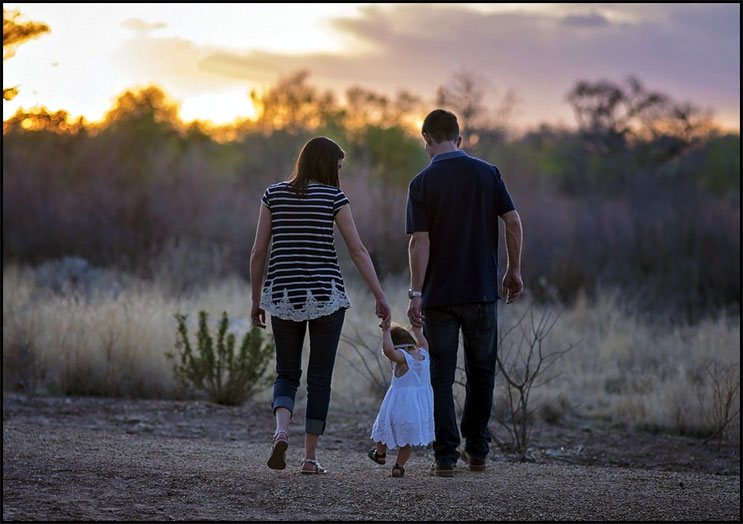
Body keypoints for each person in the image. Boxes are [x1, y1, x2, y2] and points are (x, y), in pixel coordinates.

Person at [250, 136, 392, 475]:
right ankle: (310, 458)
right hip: (327, 296)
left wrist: (256, 300)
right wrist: (379, 295)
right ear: (327, 165)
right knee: (320, 378)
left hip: (283, 295)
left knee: (286, 372)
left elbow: (258, 252)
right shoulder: (334, 197)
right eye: (338, 167)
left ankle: (281, 430)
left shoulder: (273, 195)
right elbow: (357, 250)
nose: (339, 173)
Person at [405, 109, 523, 477]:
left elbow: (419, 242)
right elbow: (513, 222)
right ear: (459, 138)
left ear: (426, 139)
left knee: (441, 376)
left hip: (440, 298)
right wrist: (513, 270)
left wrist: (415, 292)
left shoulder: (422, 183)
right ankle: (478, 450)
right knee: (482, 372)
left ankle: (444, 457)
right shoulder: (488, 174)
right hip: (482, 292)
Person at [368, 322, 434, 478]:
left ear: (398, 346)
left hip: (398, 404)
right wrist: (417, 330)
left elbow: (389, 351)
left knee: (383, 428)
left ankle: (380, 454)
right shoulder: (424, 355)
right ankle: (398, 466)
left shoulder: (403, 358)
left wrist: (385, 332)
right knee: (407, 440)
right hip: (418, 407)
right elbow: (424, 343)